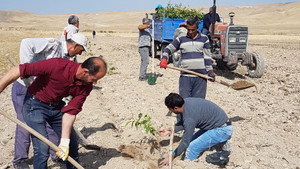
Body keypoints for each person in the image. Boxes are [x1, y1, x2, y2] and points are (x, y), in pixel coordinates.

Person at [0, 56, 107, 169]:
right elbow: (18, 70)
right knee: (42, 148)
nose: (95, 83)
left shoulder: (86, 86)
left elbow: (70, 112)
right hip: (34, 105)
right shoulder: (57, 65)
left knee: (71, 143)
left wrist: (64, 142)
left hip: (56, 107)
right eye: (94, 78)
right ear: (85, 72)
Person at [9, 33, 89, 169]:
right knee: (25, 125)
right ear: (75, 45)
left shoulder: (67, 60)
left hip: (45, 98)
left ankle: (55, 154)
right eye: (81, 50)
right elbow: (26, 42)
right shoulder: (53, 45)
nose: (80, 54)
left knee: (49, 126)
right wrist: (28, 72)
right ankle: (20, 160)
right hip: (25, 87)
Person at [158, 93, 233, 167]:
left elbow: (185, 142)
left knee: (192, 147)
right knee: (190, 142)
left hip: (222, 129)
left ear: (176, 108)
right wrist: (170, 130)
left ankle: (187, 164)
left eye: (170, 109)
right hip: (214, 124)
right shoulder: (185, 102)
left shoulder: (189, 119)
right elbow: (184, 124)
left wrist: (172, 156)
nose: (170, 111)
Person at [160, 16, 215, 99]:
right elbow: (168, 48)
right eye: (188, 29)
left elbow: (207, 57)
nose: (190, 32)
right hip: (185, 77)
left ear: (197, 28)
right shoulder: (181, 39)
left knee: (198, 103)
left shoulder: (204, 39)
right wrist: (164, 58)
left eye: (193, 30)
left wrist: (210, 72)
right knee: (185, 103)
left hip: (201, 77)